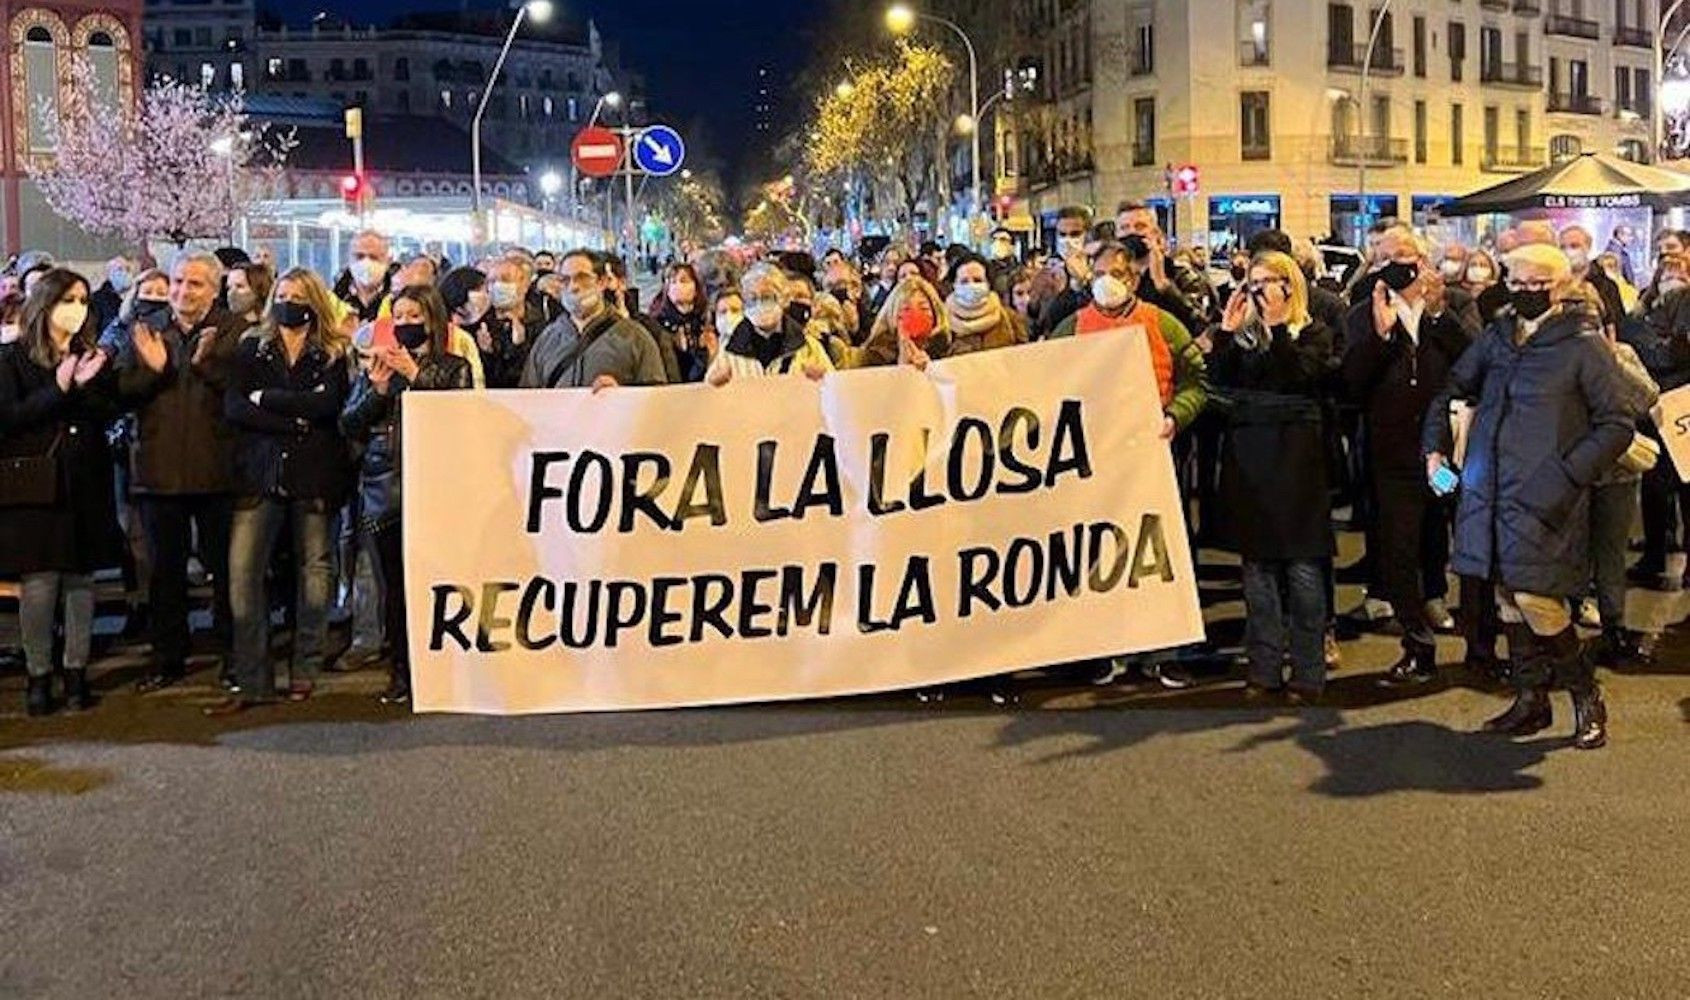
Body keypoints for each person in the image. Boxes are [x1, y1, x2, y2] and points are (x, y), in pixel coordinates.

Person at [1424, 245, 1636, 750]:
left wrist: (1565, 476)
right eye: (1513, 281)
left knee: (1536, 598)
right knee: (1508, 598)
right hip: (1490, 490)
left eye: (1532, 283)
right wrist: (1434, 449)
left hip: (1545, 495)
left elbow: (1618, 423)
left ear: (1560, 286)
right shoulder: (1498, 336)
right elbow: (1452, 387)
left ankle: (1585, 694)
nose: (1519, 291)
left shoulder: (1584, 346)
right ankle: (1530, 699)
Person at [211, 269, 351, 713]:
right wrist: (295, 421)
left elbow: (328, 405)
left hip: (313, 475)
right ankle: (254, 676)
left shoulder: (330, 352)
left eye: (298, 295)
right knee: (244, 575)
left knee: (314, 574)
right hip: (260, 472)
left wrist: (265, 399)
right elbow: (235, 406)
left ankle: (305, 668)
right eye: (282, 294)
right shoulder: (253, 345)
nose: (289, 302)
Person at [1341, 226, 1470, 686]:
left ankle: (1446, 607)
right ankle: (1417, 642)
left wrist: (1436, 315)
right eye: (1388, 257)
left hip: (1445, 452)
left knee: (1450, 532)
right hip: (1393, 453)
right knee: (1397, 544)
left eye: (1407, 256)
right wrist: (1379, 335)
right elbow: (1351, 385)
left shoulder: (1448, 306)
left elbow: (1473, 362)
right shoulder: (1361, 314)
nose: (1400, 265)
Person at [114, 252, 248, 693]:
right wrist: (155, 371)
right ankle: (167, 656)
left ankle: (233, 654)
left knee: (224, 569)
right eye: (176, 282)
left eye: (193, 284)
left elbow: (242, 394)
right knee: (163, 572)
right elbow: (120, 392)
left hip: (217, 471)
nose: (181, 292)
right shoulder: (145, 327)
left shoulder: (234, 330)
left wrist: (205, 364)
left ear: (214, 289)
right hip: (157, 471)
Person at [1207, 252, 1336, 701]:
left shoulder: (1313, 332)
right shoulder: (1244, 337)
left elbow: (1299, 376)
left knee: (1303, 569)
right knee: (1257, 571)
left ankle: (1308, 671)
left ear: (1289, 284)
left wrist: (1280, 328)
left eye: (1268, 281)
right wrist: (1226, 333)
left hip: (1297, 460)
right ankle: (1263, 668)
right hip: (1250, 458)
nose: (1258, 290)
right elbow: (1219, 385)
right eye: (1252, 281)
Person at [340, 284, 473, 704]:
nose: (407, 324)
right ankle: (401, 670)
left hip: (437, 487)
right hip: (385, 489)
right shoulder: (377, 368)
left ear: (432, 320)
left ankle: (447, 668)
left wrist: (417, 377)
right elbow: (348, 424)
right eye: (399, 317)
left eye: (415, 316)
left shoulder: (453, 366)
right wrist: (377, 392)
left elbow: (464, 414)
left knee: (438, 582)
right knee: (394, 586)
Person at [0, 269, 122, 715]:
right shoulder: (11, 359)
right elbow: (10, 418)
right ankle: (38, 675)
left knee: (80, 581)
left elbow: (108, 413)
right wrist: (59, 388)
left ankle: (76, 673)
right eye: (68, 299)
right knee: (39, 583)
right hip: (34, 485)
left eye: (83, 299)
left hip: (84, 481)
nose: (77, 309)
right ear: (45, 304)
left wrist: (89, 385)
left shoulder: (86, 354)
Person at [1049, 240, 1208, 437]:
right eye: (1099, 275)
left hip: (1152, 444)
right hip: (1092, 444)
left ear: (1133, 281)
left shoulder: (1164, 325)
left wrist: (1174, 416)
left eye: (1116, 274)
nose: (1106, 281)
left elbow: (1196, 384)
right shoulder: (1071, 328)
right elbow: (1049, 384)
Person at [520, 250, 670, 390]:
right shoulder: (547, 339)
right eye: (565, 280)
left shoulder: (634, 338)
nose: (573, 287)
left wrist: (623, 396)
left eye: (582, 278)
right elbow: (528, 396)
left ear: (602, 282)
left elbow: (655, 399)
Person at [706, 263, 834, 384]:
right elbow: (708, 393)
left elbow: (832, 389)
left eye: (767, 297)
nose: (759, 304)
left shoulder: (808, 347)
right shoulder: (729, 350)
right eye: (752, 299)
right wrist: (715, 384)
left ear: (784, 299)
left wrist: (822, 378)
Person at [1116, 200, 1211, 329]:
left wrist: (1163, 285)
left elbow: (1199, 322)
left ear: (1155, 233)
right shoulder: (1113, 277)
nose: (1132, 232)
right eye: (1124, 228)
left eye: (1140, 226)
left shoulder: (1181, 273)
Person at [856, 275, 952, 367]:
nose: (915, 316)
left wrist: (931, 370)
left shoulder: (948, 349)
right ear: (893, 315)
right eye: (906, 310)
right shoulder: (874, 357)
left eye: (924, 308)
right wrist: (903, 369)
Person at [943, 253, 1027, 355]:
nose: (971, 285)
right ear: (954, 285)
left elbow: (1023, 356)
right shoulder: (943, 322)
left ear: (988, 284)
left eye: (977, 280)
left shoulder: (1009, 319)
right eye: (964, 281)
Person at [649, 262, 714, 382]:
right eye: (672, 282)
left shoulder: (706, 319)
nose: (677, 286)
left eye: (683, 281)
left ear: (695, 287)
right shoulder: (657, 323)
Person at [1036, 205, 1094, 335]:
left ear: (1088, 235)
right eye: (1062, 234)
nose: (1067, 241)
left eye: (1075, 234)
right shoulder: (1049, 270)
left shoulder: (1099, 266)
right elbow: (1041, 321)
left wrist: (1085, 281)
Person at [1559, 225, 1626, 333]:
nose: (1568, 251)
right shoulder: (1554, 284)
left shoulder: (1606, 286)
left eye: (1574, 246)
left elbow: (1619, 325)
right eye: (1562, 247)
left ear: (1588, 247)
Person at [337, 229, 394, 325]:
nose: (366, 263)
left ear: (388, 261)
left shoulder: (397, 299)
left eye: (373, 257)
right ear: (349, 259)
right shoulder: (334, 301)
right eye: (359, 256)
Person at [91, 255, 135, 334]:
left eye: (128, 270)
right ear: (109, 274)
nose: (125, 273)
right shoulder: (97, 300)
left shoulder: (133, 299)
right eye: (119, 269)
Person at [223, 261, 273, 330]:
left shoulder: (270, 329)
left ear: (258, 289)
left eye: (239, 286)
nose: (231, 293)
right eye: (228, 288)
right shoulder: (225, 328)